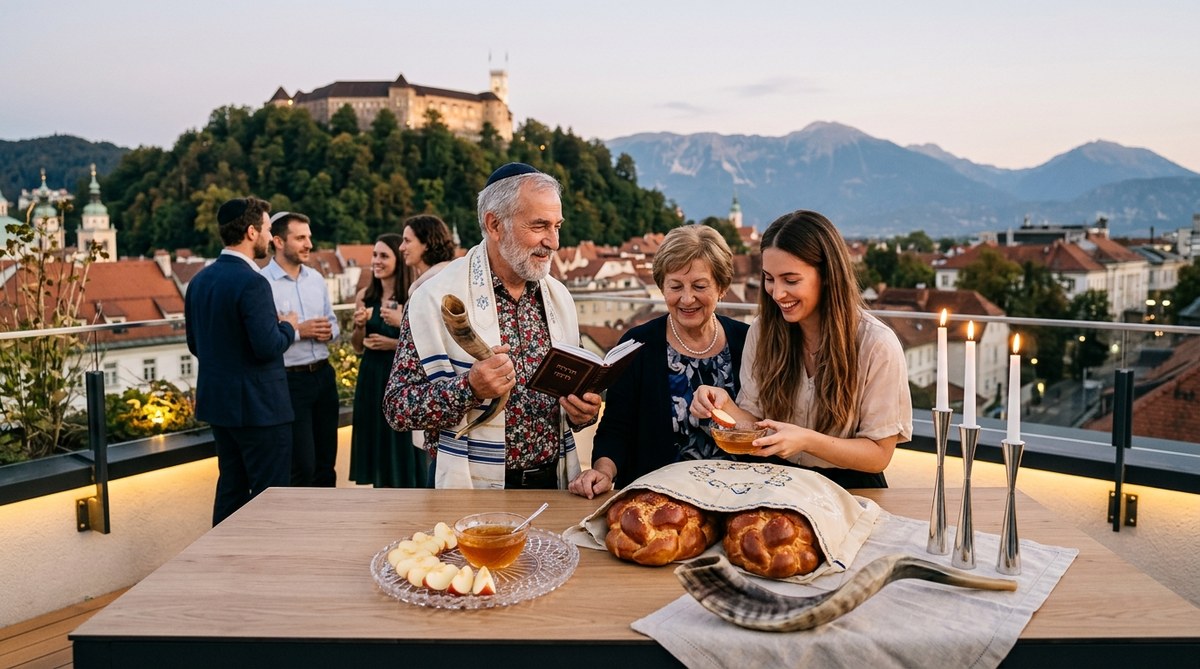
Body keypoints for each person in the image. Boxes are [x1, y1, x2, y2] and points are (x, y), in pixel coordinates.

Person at [383, 162, 601, 489]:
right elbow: (397, 408)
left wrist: (581, 412)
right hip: (467, 488)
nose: (553, 241)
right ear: (494, 224)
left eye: (557, 225)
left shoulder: (560, 298)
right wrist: (468, 388)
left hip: (552, 485)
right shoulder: (434, 298)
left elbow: (572, 391)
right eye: (539, 225)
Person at [690, 210, 912, 488]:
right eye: (769, 278)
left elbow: (879, 455)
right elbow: (757, 424)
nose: (778, 293)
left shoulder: (877, 344)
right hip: (777, 482)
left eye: (791, 280)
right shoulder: (762, 331)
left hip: (851, 488)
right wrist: (725, 405)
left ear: (828, 276)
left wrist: (806, 440)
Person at [569, 225, 750, 498]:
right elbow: (615, 429)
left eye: (700, 286)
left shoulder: (746, 341)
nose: (686, 298)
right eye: (675, 286)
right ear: (661, 286)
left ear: (722, 287)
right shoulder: (637, 344)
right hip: (656, 503)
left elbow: (765, 424)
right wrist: (603, 472)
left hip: (738, 499)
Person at [185, 197, 297, 525]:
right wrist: (287, 326)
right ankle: (264, 567)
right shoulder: (253, 282)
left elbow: (195, 344)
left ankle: (222, 564)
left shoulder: (199, 280)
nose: (268, 236)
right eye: (265, 229)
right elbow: (268, 346)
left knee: (231, 489)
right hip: (260, 408)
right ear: (251, 232)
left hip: (219, 405)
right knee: (270, 495)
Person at [262, 211, 340, 487]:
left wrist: (330, 331)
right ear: (279, 242)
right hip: (290, 381)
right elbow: (264, 338)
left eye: (309, 237)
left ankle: (326, 527)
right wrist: (298, 331)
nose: (309, 244)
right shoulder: (262, 283)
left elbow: (333, 325)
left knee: (326, 463)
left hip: (323, 375)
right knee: (301, 465)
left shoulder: (317, 279)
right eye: (300, 238)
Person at [348, 233, 427, 488]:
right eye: (374, 255)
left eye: (384, 255)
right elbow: (357, 347)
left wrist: (393, 343)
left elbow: (425, 346)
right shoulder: (364, 296)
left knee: (401, 442)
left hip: (399, 377)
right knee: (375, 438)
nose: (376, 261)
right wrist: (359, 327)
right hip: (371, 375)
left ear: (398, 260)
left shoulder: (414, 296)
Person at [399, 214, 457, 296]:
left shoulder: (433, 283)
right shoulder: (450, 274)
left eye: (407, 241)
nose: (401, 248)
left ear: (426, 243)